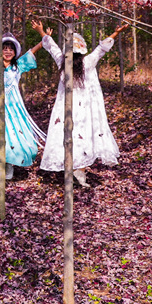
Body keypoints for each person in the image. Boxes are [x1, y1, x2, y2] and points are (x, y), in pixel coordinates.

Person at [33, 20, 123, 187]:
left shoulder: (87, 63)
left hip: (82, 108)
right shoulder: (63, 61)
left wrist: (116, 33)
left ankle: (79, 169)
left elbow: (101, 49)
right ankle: (72, 167)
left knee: (82, 135)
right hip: (64, 107)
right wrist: (41, 32)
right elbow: (52, 47)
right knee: (65, 135)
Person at [0, 31, 45, 180]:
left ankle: (9, 165)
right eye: (5, 48)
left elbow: (32, 51)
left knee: (12, 133)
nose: (7, 52)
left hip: (13, 105)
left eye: (11, 49)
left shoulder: (18, 66)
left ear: (15, 52)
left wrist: (43, 38)